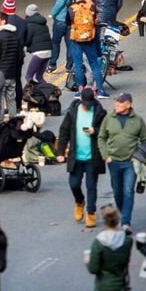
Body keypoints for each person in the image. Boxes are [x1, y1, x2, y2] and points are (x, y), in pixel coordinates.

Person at [99, 93, 146, 227]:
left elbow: (145, 140)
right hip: (113, 162)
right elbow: (101, 137)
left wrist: (142, 157)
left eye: (120, 103)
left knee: (128, 191)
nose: (116, 105)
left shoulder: (138, 120)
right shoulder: (109, 118)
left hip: (131, 162)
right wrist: (105, 156)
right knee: (117, 192)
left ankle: (126, 222)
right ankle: (123, 212)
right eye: (116, 102)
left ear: (128, 104)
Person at [62, 86, 106, 227]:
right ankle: (79, 201)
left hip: (93, 157)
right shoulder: (72, 112)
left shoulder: (100, 113)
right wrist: (60, 152)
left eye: (89, 104)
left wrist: (95, 131)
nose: (87, 107)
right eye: (85, 104)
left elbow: (107, 131)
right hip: (76, 156)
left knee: (91, 186)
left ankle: (91, 213)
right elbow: (64, 132)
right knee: (74, 184)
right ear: (80, 99)